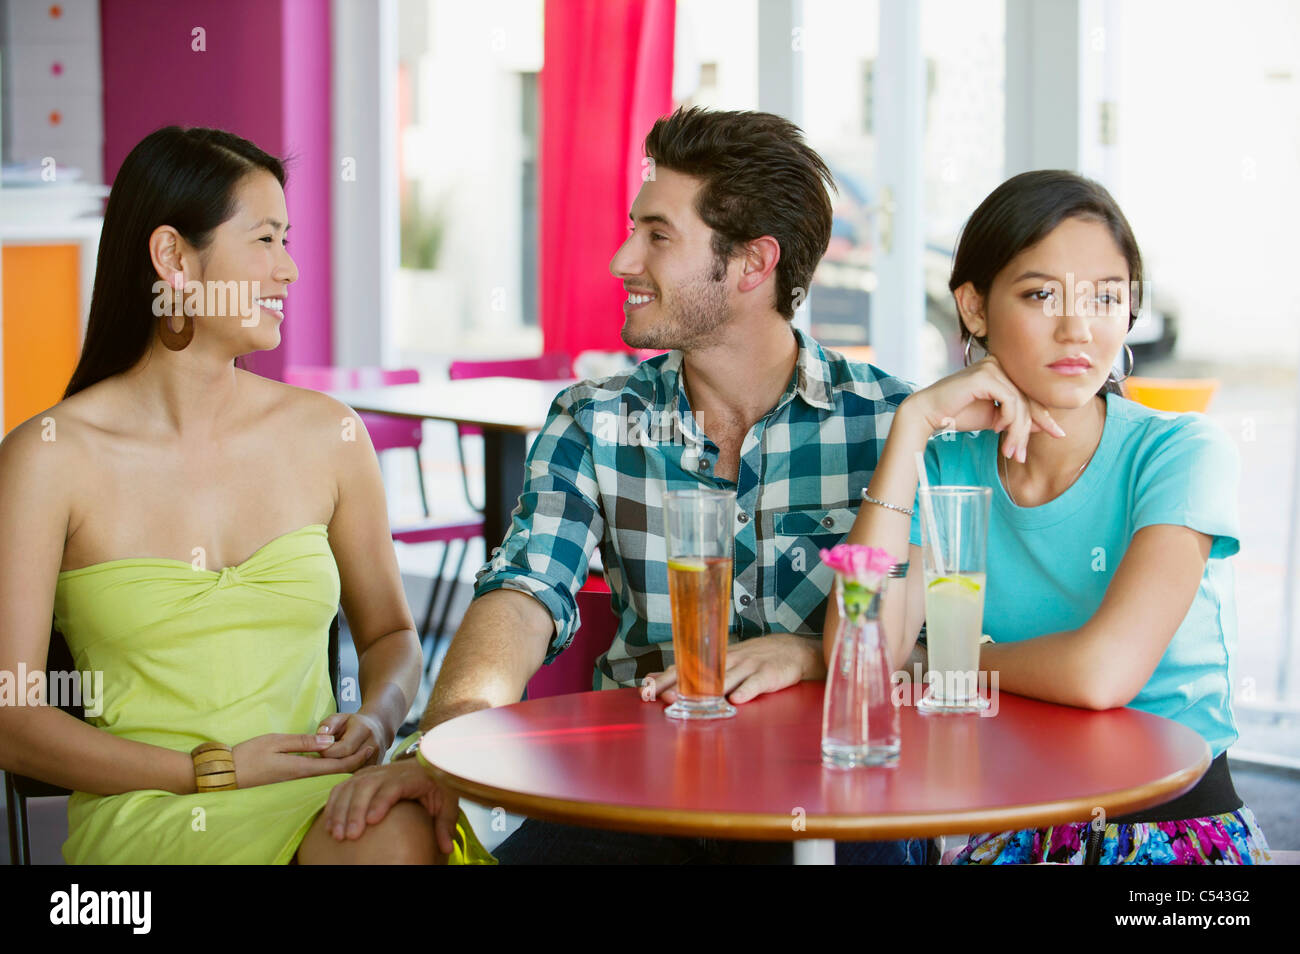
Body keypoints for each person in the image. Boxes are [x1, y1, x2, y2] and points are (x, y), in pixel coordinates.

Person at [321, 107, 928, 864]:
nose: (621, 260)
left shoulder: (892, 424)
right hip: (637, 799)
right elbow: (524, 588)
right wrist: (443, 743)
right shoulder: (595, 419)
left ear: (751, 264)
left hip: (834, 801)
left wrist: (808, 658)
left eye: (657, 235)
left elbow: (940, 652)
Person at [0, 126, 444, 864]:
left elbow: (391, 637)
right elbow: (12, 718)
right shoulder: (48, 460)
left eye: (287, 239)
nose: (290, 269)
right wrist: (212, 773)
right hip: (155, 813)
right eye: (265, 240)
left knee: (395, 835)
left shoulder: (328, 435)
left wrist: (379, 716)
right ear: (173, 256)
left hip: (322, 800)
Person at [826, 169, 1271, 865]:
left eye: (1105, 296)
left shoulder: (1181, 452)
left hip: (1170, 834)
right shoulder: (944, 467)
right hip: (1010, 828)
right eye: (1040, 294)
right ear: (973, 308)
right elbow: (862, 658)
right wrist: (912, 428)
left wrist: (942, 665)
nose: (1077, 326)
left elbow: (1101, 674)